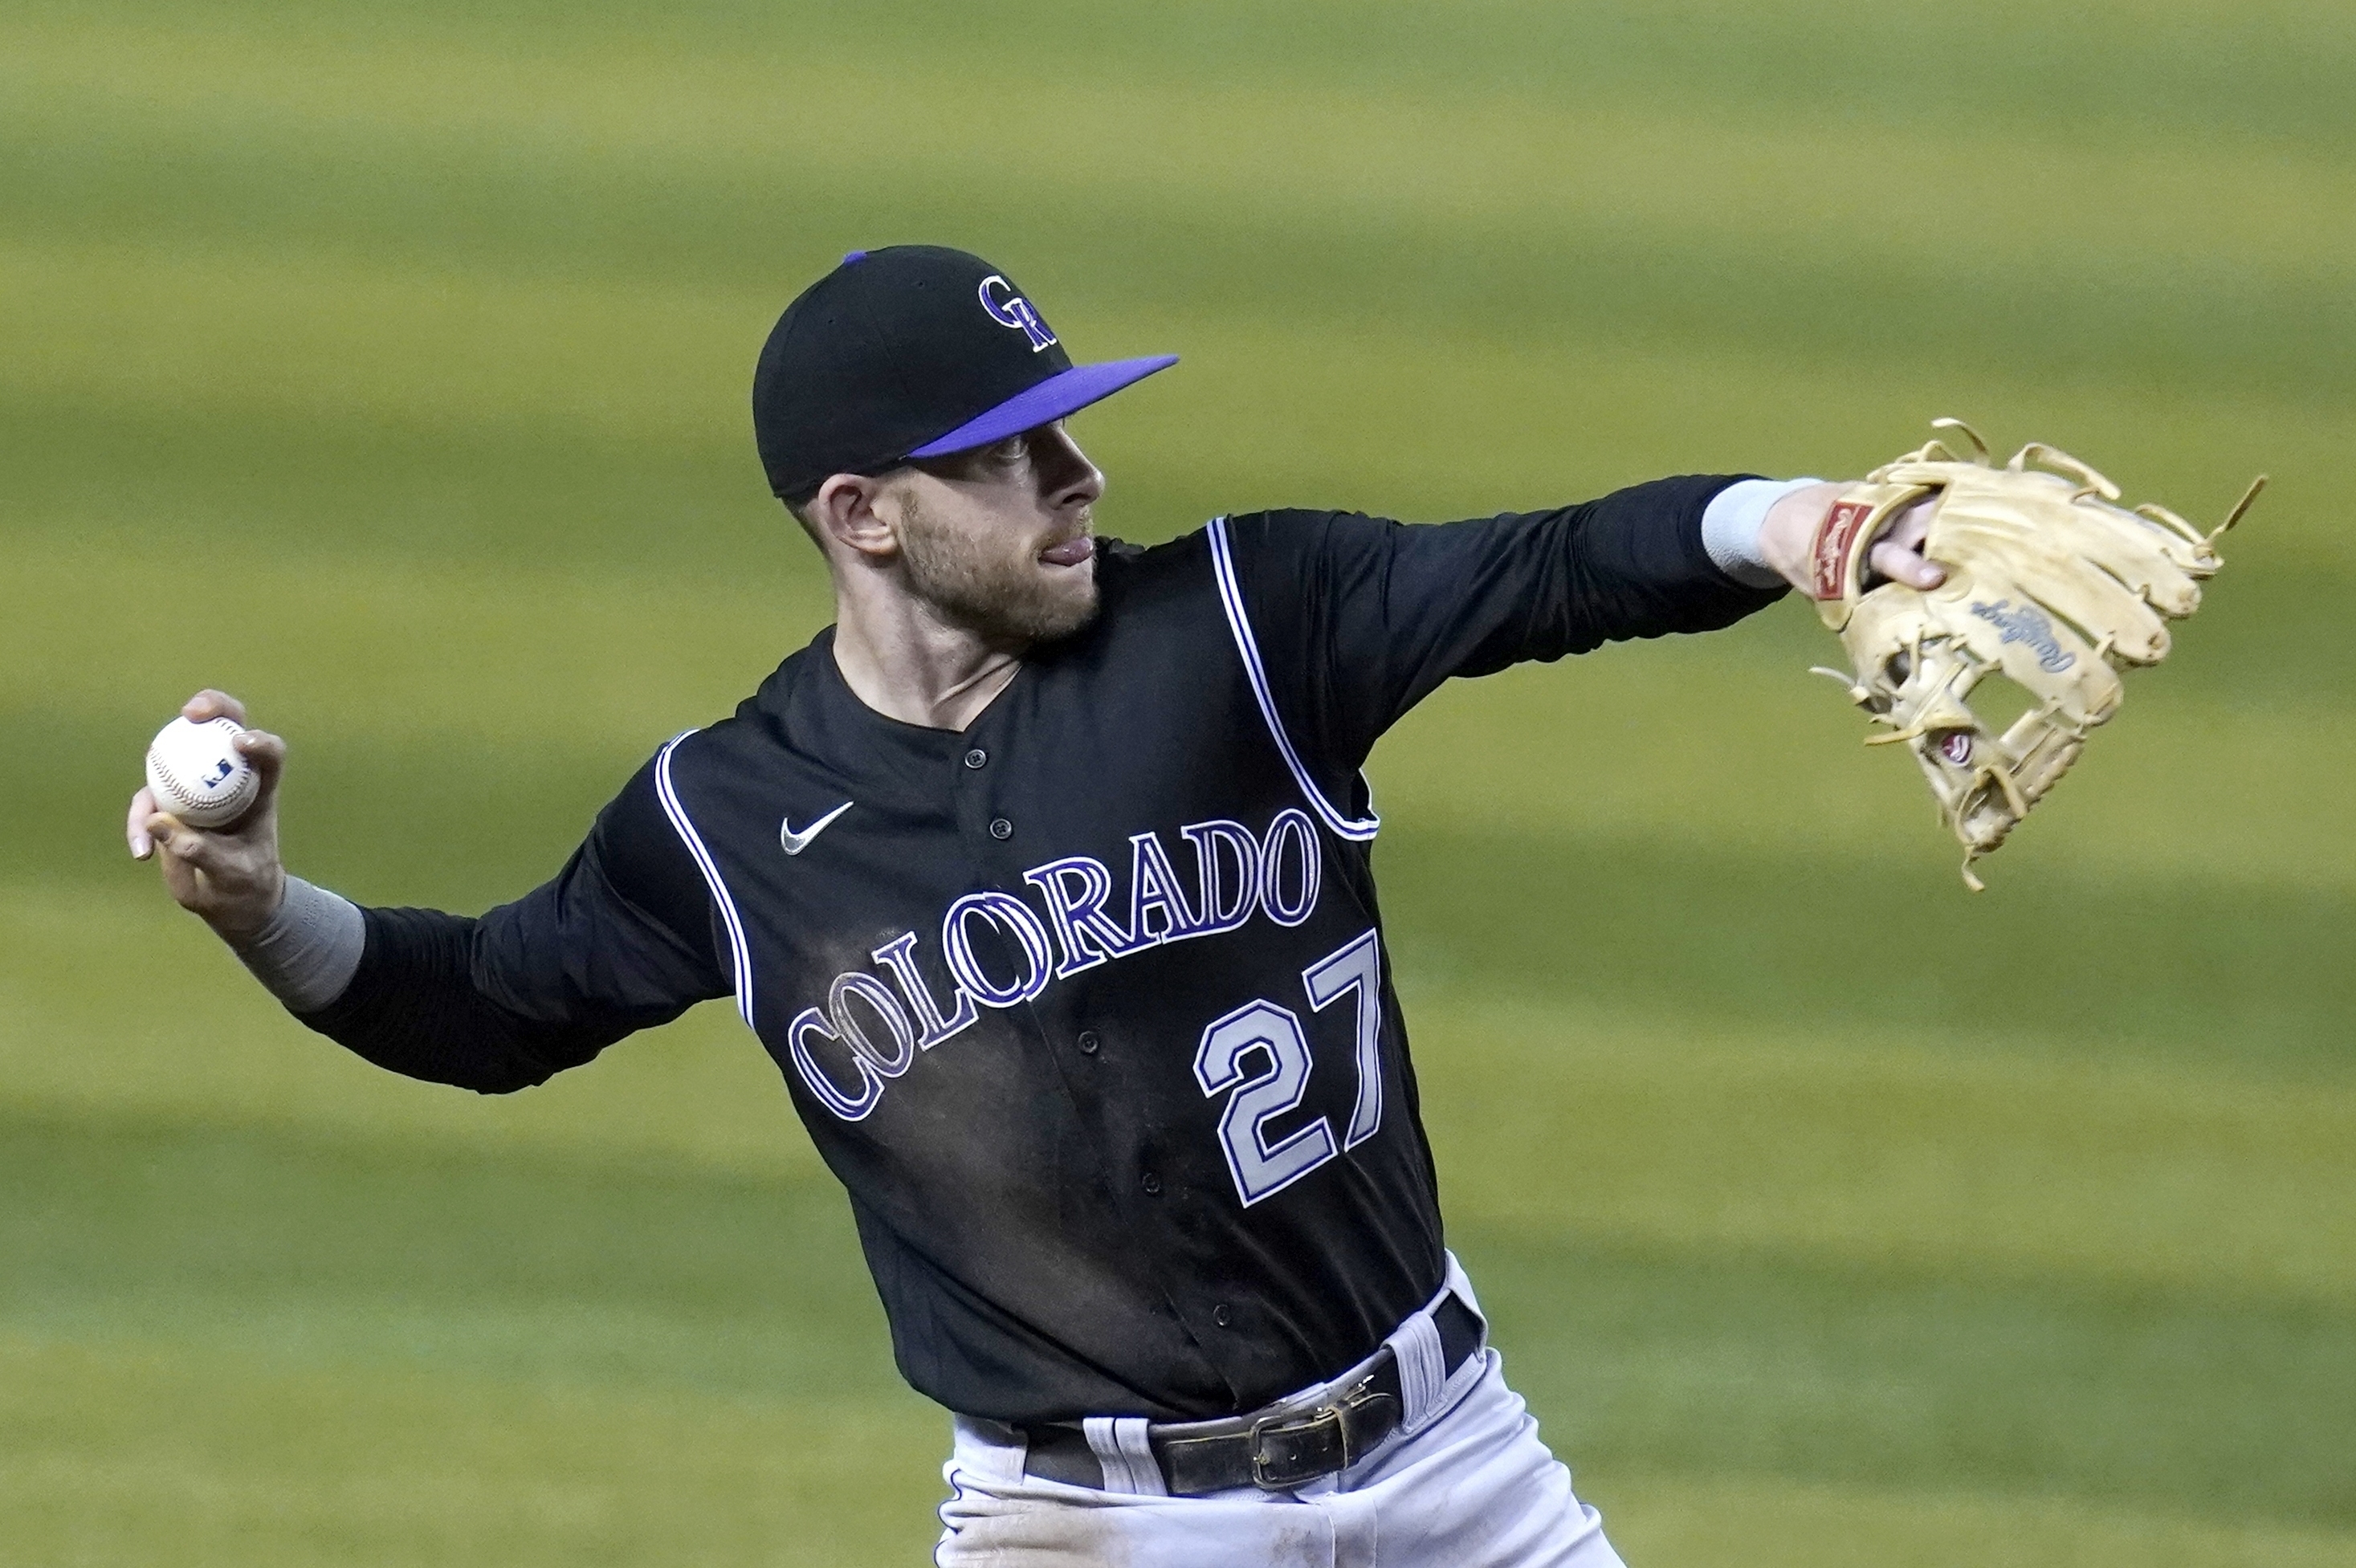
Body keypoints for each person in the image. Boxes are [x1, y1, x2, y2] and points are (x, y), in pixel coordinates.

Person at [128, 245, 1940, 1566]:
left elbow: (1553, 568)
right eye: (1010, 454)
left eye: (1069, 432)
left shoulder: (1249, 620)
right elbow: (485, 1006)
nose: (1079, 481)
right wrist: (267, 906)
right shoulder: (725, 817)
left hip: (1457, 1469)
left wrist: (1798, 526)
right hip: (1080, 1525)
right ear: (864, 514)